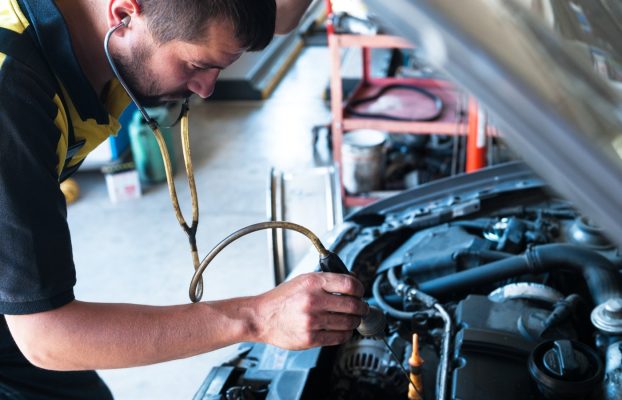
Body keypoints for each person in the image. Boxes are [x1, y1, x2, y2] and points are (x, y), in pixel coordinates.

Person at [0, 0, 368, 398]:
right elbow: (47, 337)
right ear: (122, 15)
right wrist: (258, 318)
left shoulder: (127, 29)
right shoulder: (13, 99)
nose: (206, 89)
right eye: (196, 66)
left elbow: (280, 15)